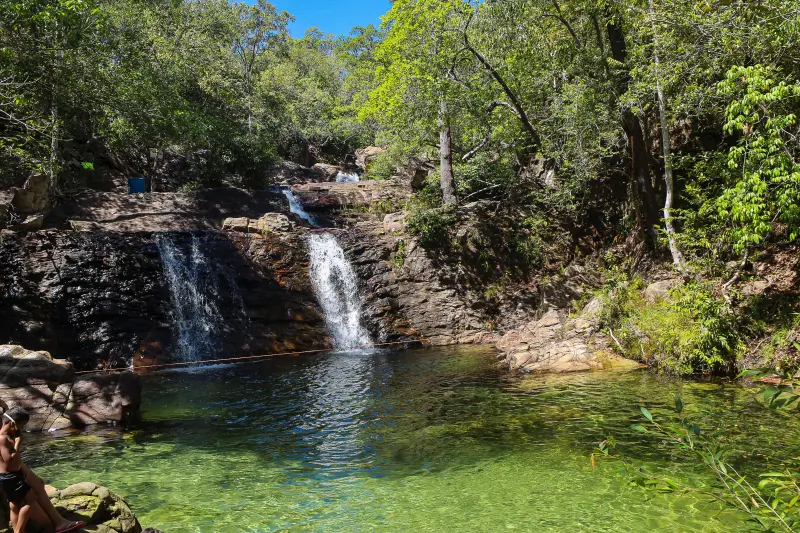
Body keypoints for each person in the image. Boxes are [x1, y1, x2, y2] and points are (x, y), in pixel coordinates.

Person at [0, 401, 85, 533]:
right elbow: (8, 459)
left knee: (17, 503)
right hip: (9, 474)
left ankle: (56, 523)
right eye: (21, 426)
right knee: (29, 499)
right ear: (13, 424)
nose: (21, 429)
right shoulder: (4, 438)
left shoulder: (6, 434)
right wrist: (18, 444)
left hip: (12, 473)